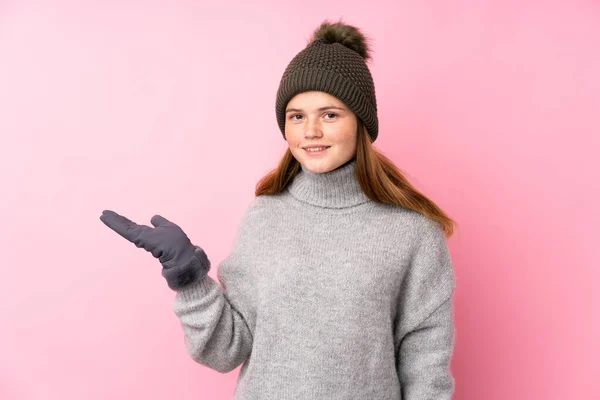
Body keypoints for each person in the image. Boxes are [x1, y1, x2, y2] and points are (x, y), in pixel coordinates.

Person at [100, 19, 457, 400]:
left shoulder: (412, 234)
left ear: (361, 123)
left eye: (330, 114)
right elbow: (226, 350)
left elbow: (426, 371)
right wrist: (188, 275)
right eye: (297, 116)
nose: (311, 131)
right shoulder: (265, 216)